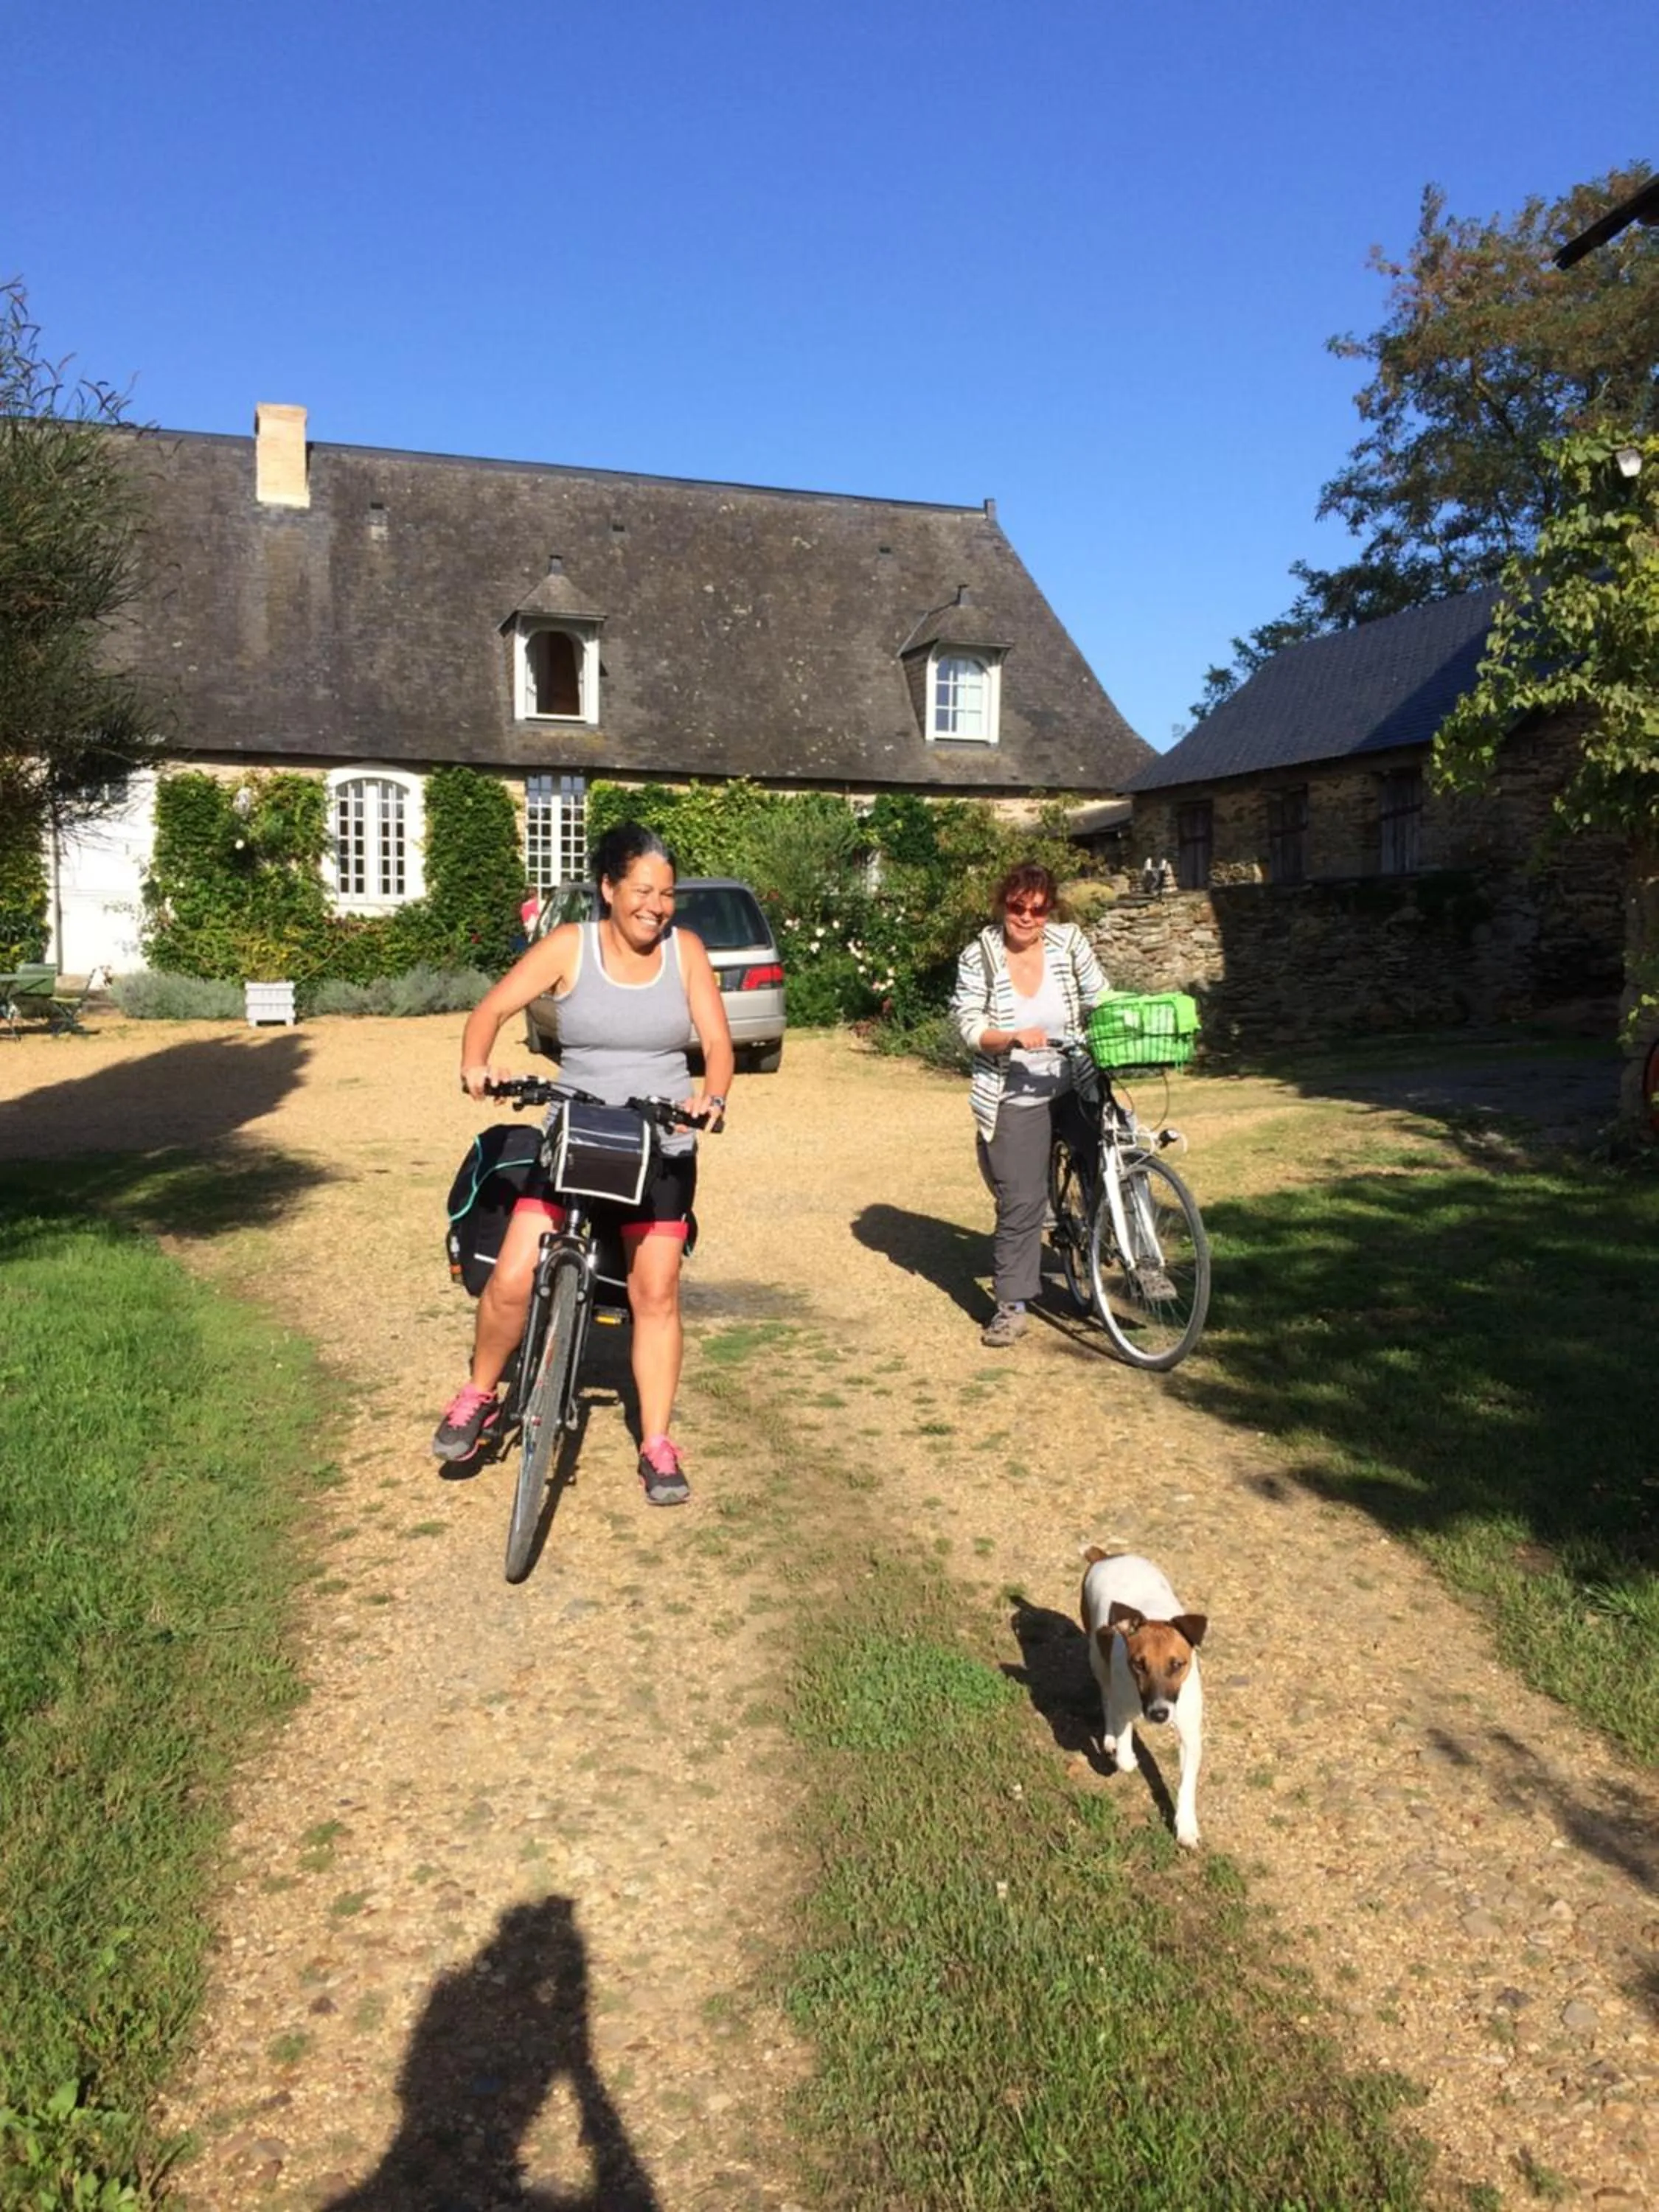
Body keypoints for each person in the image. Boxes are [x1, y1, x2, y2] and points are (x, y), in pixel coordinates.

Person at [431, 823, 734, 1504]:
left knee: (655, 1293)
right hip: (574, 1131)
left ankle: (656, 1444)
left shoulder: (685, 952)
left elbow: (717, 1043)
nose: (656, 906)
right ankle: (480, 1394)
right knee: (511, 1277)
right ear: (608, 888)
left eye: (667, 894)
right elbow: (492, 1009)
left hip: (659, 1141)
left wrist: (710, 1098)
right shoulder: (571, 945)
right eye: (642, 890)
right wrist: (477, 1067)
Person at [949, 861, 1107, 1348]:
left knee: (1119, 1158)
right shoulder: (981, 957)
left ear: (1049, 911)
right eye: (1018, 907)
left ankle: (1136, 1258)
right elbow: (968, 1026)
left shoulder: (1069, 943)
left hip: (1072, 1078)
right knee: (1021, 1201)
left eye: (1038, 910)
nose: (1027, 918)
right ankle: (1012, 1305)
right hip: (1014, 1092)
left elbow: (1100, 996)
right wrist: (1011, 1037)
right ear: (1003, 905)